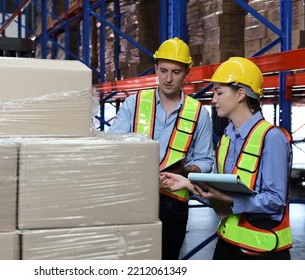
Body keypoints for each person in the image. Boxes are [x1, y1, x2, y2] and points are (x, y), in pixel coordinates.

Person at [160, 57, 293, 260]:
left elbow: (275, 200)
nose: (213, 100)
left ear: (240, 94)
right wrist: (186, 183)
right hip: (226, 245)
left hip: (262, 253)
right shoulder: (227, 139)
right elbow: (220, 194)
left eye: (219, 93)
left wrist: (230, 199)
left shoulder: (272, 137)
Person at [107, 37, 214, 259]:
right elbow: (113, 146)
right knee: (130, 261)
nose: (168, 78)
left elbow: (206, 161)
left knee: (166, 262)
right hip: (134, 196)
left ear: (187, 72)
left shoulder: (198, 114)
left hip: (174, 202)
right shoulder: (134, 103)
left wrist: (186, 171)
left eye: (175, 72)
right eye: (163, 70)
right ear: (155, 68)